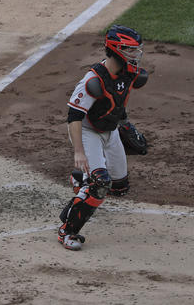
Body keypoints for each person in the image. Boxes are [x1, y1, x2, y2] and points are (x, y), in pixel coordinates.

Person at [58, 25, 149, 250]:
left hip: (110, 131)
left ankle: (80, 178)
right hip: (88, 133)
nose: (135, 55)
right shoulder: (93, 81)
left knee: (119, 187)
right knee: (100, 184)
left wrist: (125, 124)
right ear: (117, 50)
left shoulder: (129, 73)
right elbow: (74, 117)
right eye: (130, 50)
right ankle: (67, 231)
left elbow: (117, 101)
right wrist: (79, 152)